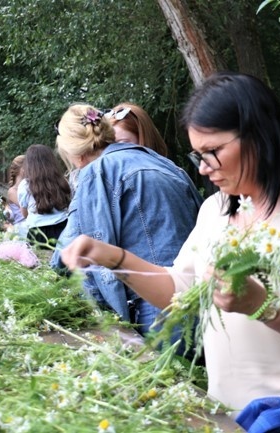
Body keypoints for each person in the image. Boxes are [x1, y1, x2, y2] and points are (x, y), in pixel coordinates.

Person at [58, 73, 280, 431]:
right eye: (198, 155)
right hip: (228, 418)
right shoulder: (216, 209)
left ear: (258, 136)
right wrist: (112, 257)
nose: (205, 168)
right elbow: (180, 291)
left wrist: (262, 303)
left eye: (213, 151)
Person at [51, 104, 202, 337]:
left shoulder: (96, 172)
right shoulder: (169, 165)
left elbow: (72, 252)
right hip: (203, 304)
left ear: (76, 156)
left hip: (158, 316)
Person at [17, 144, 70, 247]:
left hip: (37, 233)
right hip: (63, 229)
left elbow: (24, 213)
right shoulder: (62, 181)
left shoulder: (25, 185)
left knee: (39, 262)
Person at [3, 155, 27, 234]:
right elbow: (27, 208)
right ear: (22, 169)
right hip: (21, 228)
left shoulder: (27, 187)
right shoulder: (12, 191)